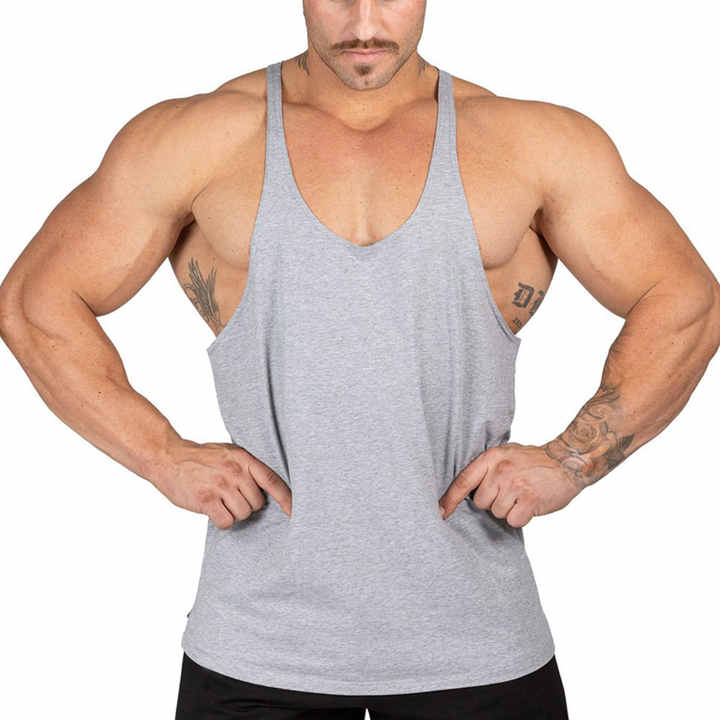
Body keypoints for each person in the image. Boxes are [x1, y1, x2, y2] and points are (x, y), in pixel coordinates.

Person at [1, 1, 718, 718]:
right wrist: (161, 456)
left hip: (479, 645)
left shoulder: (529, 143)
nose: (365, 21)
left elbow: (686, 300)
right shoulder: (199, 139)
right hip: (257, 648)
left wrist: (571, 460)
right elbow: (37, 302)